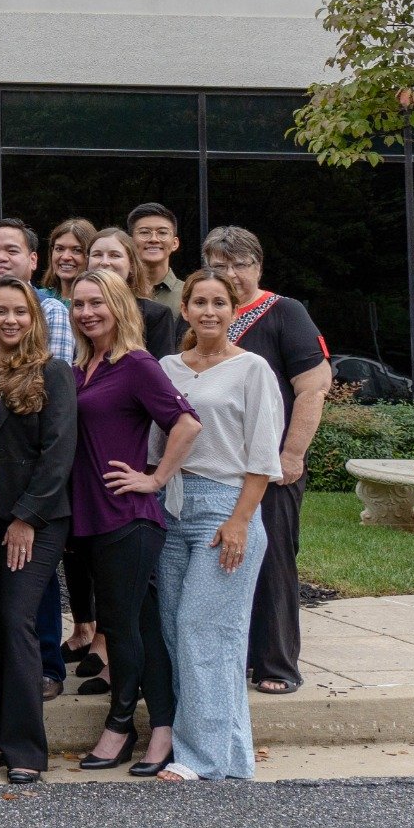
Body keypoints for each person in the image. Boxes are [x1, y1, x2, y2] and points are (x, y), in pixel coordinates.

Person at [68, 269, 201, 777]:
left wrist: (155, 478)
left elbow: (186, 422)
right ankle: (163, 729)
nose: (87, 312)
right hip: (93, 518)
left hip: (128, 517)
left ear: (119, 305)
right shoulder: (84, 368)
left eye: (97, 302)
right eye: (79, 304)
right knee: (140, 624)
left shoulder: (138, 364)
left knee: (120, 627)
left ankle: (120, 726)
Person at [155, 269, 284, 782]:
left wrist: (240, 521)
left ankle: (199, 758)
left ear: (235, 312)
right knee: (180, 632)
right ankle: (229, 753)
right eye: (200, 302)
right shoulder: (167, 368)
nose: (209, 311)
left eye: (220, 303)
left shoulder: (253, 370)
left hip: (226, 507)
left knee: (202, 630)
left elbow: (263, 456)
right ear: (183, 309)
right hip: (172, 505)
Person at [199, 225, 331, 698]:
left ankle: (276, 661)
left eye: (241, 264)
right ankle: (230, 658)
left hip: (271, 467)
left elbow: (313, 386)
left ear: (259, 267)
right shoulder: (203, 315)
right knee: (222, 563)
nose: (231, 274)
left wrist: (291, 454)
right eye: (220, 265)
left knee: (273, 560)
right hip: (215, 468)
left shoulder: (285, 313)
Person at [0, 278, 77, 785]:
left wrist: (26, 518)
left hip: (34, 520)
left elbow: (58, 454)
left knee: (16, 621)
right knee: (0, 629)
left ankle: (28, 750)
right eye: (0, 311)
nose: (10, 320)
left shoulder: (52, 374)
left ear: (33, 319)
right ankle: (0, 737)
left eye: (20, 312)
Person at [0, 221, 74, 364]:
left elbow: (58, 379)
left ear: (33, 260)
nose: (0, 258)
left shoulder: (52, 310)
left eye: (12, 251)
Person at [88, 226, 180, 359]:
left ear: (131, 265)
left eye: (115, 255)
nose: (105, 262)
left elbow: (161, 373)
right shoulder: (80, 311)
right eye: (97, 255)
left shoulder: (155, 315)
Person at [127, 202, 186, 311]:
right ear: (130, 243)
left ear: (174, 243)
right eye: (144, 232)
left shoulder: (189, 293)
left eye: (162, 233)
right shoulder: (118, 291)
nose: (154, 239)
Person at [43, 218, 95, 301]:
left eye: (77, 250)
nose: (65, 257)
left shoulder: (102, 303)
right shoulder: (38, 298)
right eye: (59, 249)